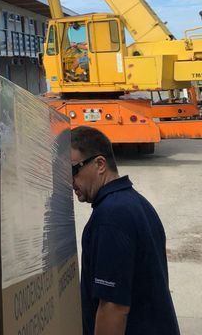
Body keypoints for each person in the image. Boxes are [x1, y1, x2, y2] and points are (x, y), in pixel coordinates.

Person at [71, 126, 180, 335]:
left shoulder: (112, 217)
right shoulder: (135, 202)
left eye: (73, 170)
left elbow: (113, 308)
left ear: (100, 164)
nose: (70, 181)